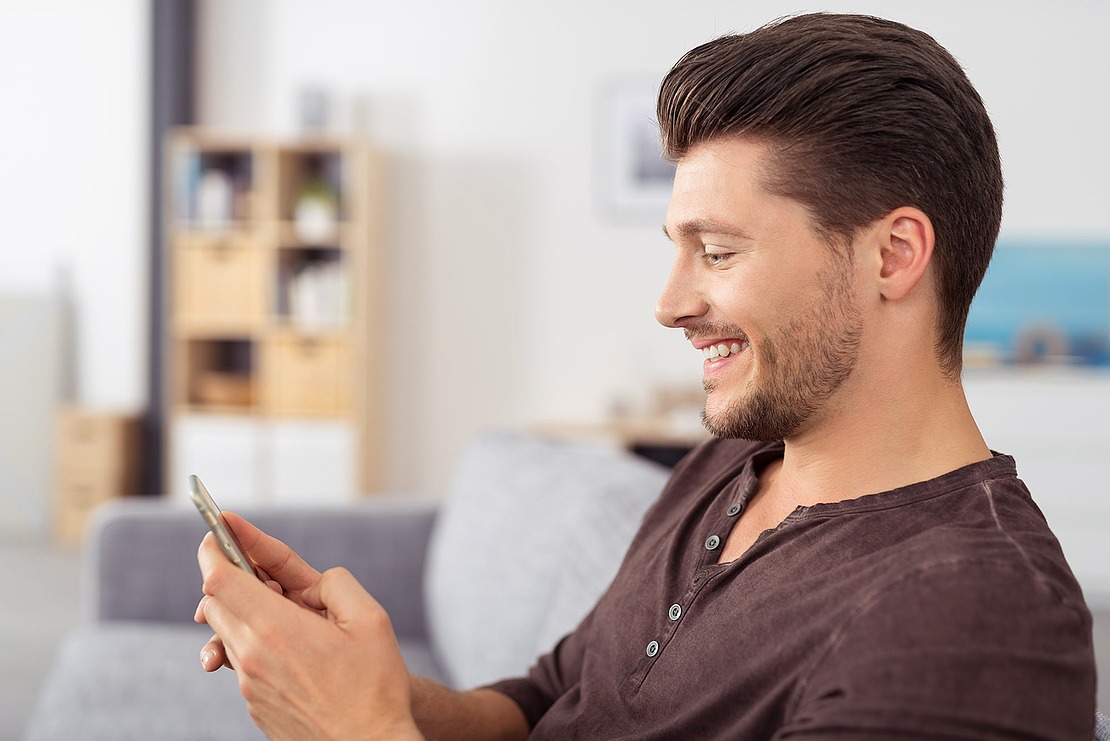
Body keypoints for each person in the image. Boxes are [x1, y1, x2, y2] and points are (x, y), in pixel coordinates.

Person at [195, 12, 1097, 739]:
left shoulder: (974, 618)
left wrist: (355, 727)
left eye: (718, 250)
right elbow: (551, 702)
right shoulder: (732, 460)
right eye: (677, 250)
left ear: (892, 255)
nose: (668, 304)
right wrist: (371, 683)